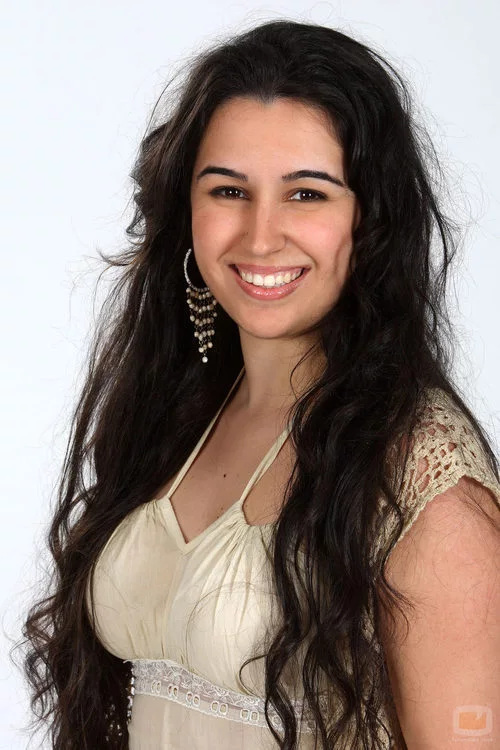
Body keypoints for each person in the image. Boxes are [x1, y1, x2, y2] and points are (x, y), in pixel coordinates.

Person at [20, 18, 500, 750]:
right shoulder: (180, 412)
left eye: (306, 194)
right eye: (228, 190)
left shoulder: (421, 474)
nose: (261, 236)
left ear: (370, 218)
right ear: (186, 211)